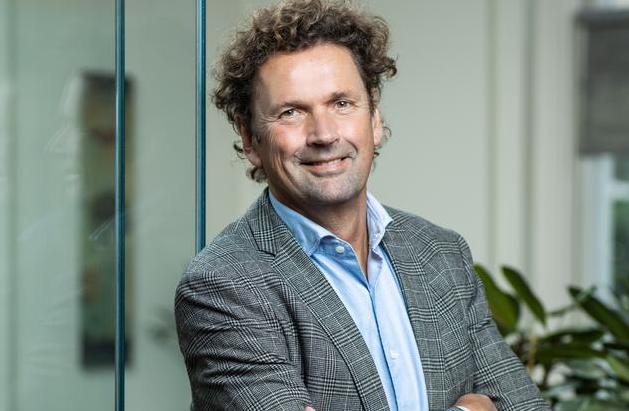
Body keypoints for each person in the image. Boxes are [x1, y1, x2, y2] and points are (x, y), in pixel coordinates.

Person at [175, 1, 550, 410]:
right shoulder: (223, 284)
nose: (323, 134)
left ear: (373, 118)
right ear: (250, 139)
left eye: (341, 103)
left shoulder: (441, 254)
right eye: (291, 112)